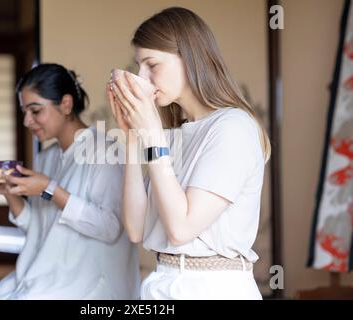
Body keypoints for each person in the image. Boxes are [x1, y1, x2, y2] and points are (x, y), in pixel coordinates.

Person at [107, 7, 270, 300]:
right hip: (163, 281)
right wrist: (133, 138)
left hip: (212, 288)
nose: (141, 77)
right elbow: (136, 229)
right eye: (138, 66)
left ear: (190, 58)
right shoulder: (176, 134)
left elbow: (181, 228)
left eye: (152, 64)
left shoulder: (233, 128)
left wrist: (153, 135)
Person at [0, 63, 140, 299]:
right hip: (48, 274)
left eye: (35, 111)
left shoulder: (104, 152)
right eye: (24, 111)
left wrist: (49, 189)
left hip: (90, 284)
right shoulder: (46, 157)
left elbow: (110, 228)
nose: (27, 121)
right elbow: (37, 227)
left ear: (66, 104)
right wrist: (9, 192)